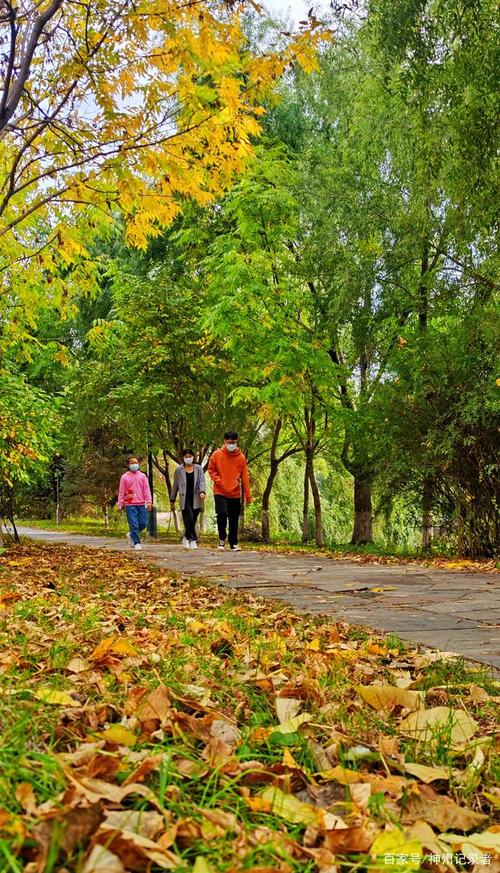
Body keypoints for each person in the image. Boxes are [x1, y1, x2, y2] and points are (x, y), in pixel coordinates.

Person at [208, 430, 251, 551]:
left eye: (234, 442)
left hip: (235, 492)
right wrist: (219, 481)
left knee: (233, 518)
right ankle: (221, 539)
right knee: (221, 514)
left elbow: (245, 476)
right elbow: (211, 470)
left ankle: (233, 543)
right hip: (220, 491)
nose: (231, 444)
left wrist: (248, 496)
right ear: (224, 441)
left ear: (237, 442)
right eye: (229, 442)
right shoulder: (216, 455)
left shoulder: (241, 458)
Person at [170, 449, 206, 550]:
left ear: (193, 457)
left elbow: (202, 481)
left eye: (190, 456)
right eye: (186, 457)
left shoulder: (198, 468)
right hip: (184, 498)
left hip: (196, 497)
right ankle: (193, 540)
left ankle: (186, 537)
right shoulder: (179, 470)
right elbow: (175, 485)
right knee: (189, 518)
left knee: (193, 520)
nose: (188, 458)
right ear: (183, 458)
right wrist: (172, 498)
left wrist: (202, 491)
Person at [117, 456, 152, 551]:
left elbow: (146, 490)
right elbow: (121, 491)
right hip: (130, 504)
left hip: (141, 503)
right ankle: (137, 543)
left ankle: (132, 534)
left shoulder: (142, 476)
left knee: (143, 523)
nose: (134, 465)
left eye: (135, 463)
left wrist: (149, 502)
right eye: (132, 463)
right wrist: (120, 504)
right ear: (128, 465)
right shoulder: (124, 477)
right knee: (134, 524)